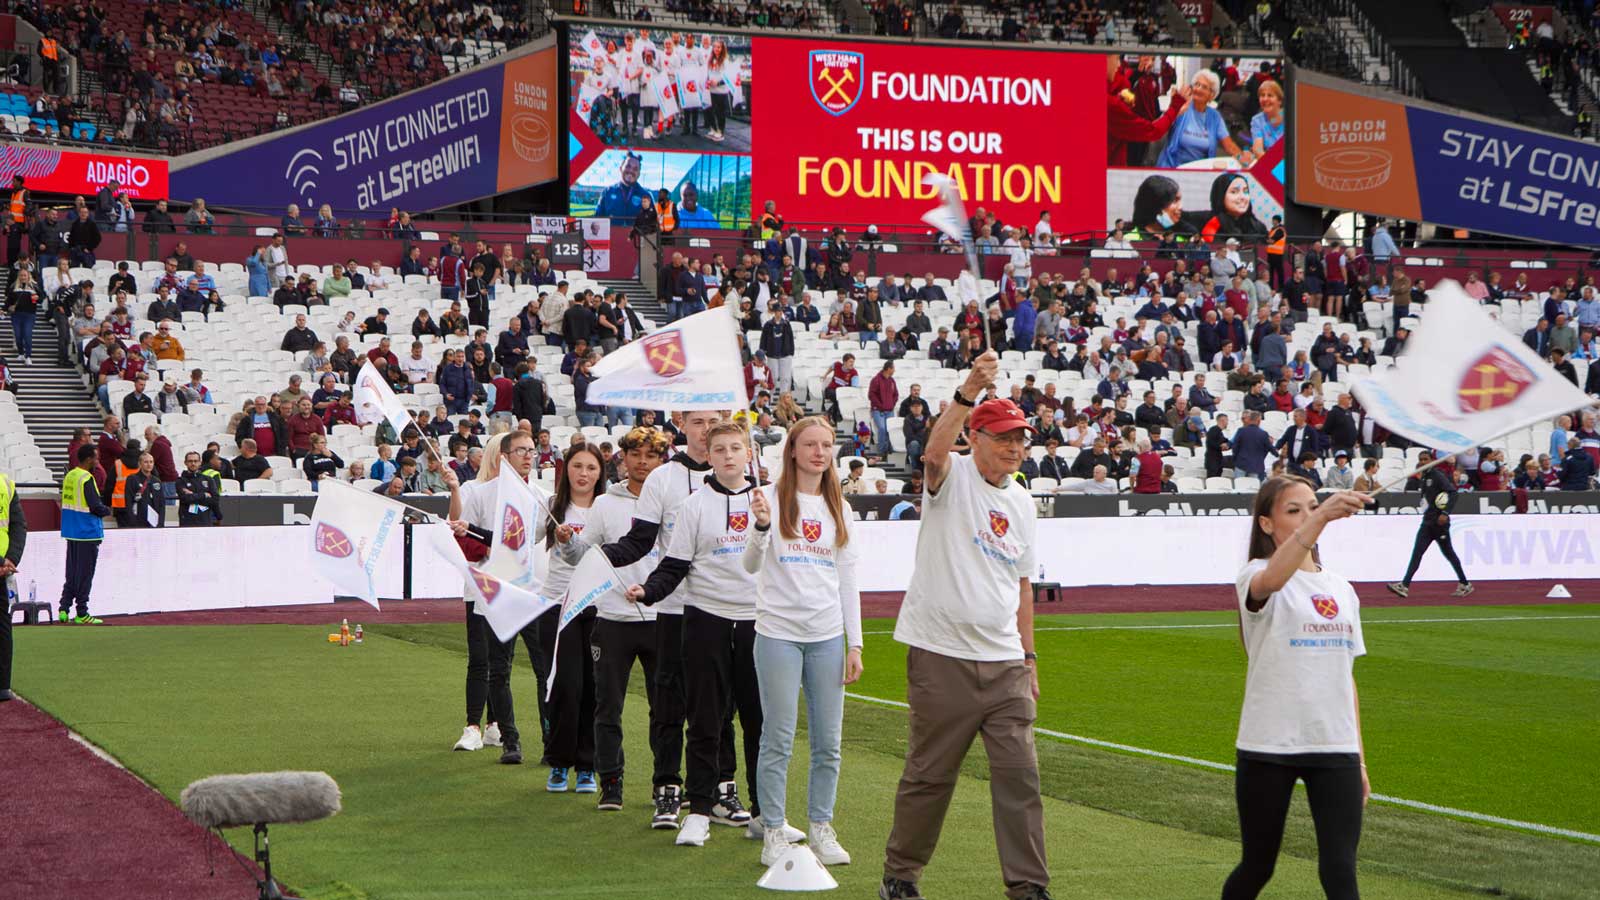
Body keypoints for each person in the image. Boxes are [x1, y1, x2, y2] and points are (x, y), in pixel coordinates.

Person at [882, 351, 1047, 900]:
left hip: (1004, 664)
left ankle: (1028, 887)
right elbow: (932, 451)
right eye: (1003, 437)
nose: (1015, 446)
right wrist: (968, 390)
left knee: (1021, 778)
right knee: (930, 776)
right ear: (973, 437)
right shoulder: (949, 476)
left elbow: (1023, 585)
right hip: (940, 655)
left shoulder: (1023, 502)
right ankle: (901, 877)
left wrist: (1029, 659)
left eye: (1019, 438)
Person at [1225, 477, 1371, 900]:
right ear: (1267, 524)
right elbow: (1271, 580)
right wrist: (1324, 515)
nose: (1307, 515)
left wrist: (1359, 758)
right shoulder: (1254, 574)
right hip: (1269, 743)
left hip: (1334, 744)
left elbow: (1346, 676)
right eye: (1295, 510)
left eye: (1312, 506)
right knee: (1258, 866)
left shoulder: (1341, 587)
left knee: (1341, 871)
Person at [625, 420, 763, 849]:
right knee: (705, 718)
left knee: (758, 721)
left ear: (748, 454)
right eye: (718, 448)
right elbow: (674, 565)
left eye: (735, 448)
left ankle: (765, 813)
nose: (726, 455)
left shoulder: (769, 500)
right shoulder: (693, 504)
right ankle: (699, 811)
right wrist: (648, 591)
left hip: (759, 623)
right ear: (709, 451)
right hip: (706, 619)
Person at [598, 410, 730, 831]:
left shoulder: (743, 477)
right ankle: (668, 790)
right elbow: (640, 542)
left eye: (715, 421)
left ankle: (719, 789)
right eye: (698, 422)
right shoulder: (663, 478)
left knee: (720, 707)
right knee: (669, 704)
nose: (706, 429)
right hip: (672, 608)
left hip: (722, 610)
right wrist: (599, 558)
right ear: (682, 425)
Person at [742, 416, 861, 866]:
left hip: (828, 636)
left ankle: (821, 826)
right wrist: (759, 527)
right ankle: (774, 829)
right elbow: (750, 567)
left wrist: (856, 644)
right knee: (778, 737)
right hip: (778, 635)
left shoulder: (840, 508)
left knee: (829, 742)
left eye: (826, 445)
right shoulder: (769, 498)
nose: (819, 452)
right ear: (791, 449)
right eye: (810, 444)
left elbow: (848, 578)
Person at [558, 427, 670, 811]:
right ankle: (611, 784)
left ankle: (666, 785)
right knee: (607, 707)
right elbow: (582, 557)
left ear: (661, 460)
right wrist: (565, 542)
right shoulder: (606, 503)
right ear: (622, 458)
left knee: (667, 709)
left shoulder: (676, 499)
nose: (642, 462)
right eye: (635, 455)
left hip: (663, 617)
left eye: (650, 456)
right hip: (613, 618)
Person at [445, 433, 529, 762]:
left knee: (501, 662)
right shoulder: (474, 491)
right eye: (513, 452)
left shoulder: (522, 496)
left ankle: (494, 723)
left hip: (511, 587)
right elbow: (460, 532)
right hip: (479, 586)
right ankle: (472, 725)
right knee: (482, 658)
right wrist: (453, 488)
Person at [1387, 458, 1473, 598]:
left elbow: (1453, 493)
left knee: (1449, 553)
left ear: (1431, 461)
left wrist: (1445, 512)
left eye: (1425, 460)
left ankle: (1465, 583)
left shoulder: (1437, 476)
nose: (1422, 462)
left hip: (1439, 524)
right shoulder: (1424, 478)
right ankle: (1404, 585)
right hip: (1427, 522)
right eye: (1420, 460)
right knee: (1417, 553)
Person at [59, 445, 112, 624]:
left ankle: (64, 609)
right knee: (85, 575)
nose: (97, 461)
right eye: (95, 458)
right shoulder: (86, 478)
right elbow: (95, 506)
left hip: (71, 531)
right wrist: (107, 510)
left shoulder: (70, 476)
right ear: (89, 459)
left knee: (72, 573)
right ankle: (82, 612)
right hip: (87, 532)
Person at [0, 466, 24, 699]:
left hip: (2, 566)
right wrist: (10, 560)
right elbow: (19, 527)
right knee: (3, 625)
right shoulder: (6, 483)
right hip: (3, 568)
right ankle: (3, 686)